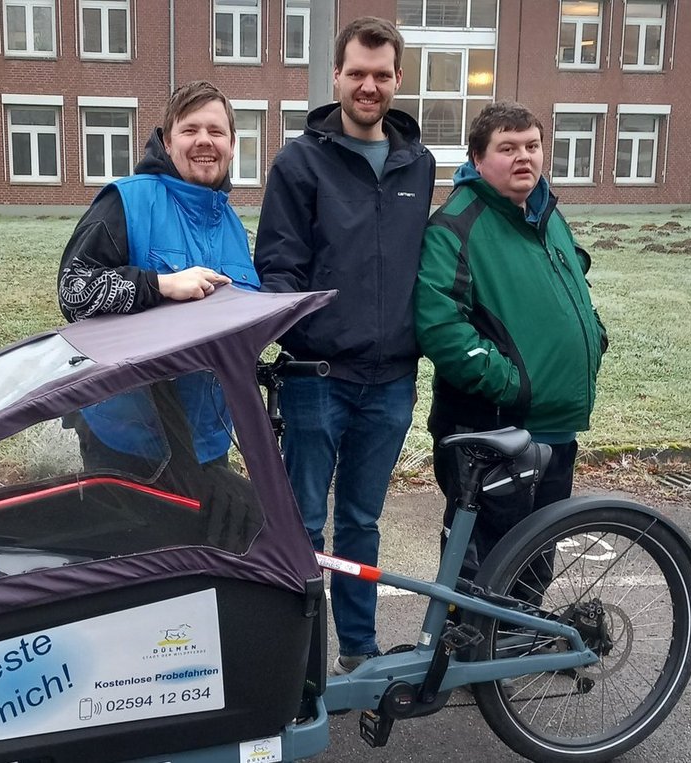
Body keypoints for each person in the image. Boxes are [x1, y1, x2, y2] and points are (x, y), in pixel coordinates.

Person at [254, 16, 436, 674]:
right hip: (317, 378)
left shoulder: (420, 162)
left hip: (390, 383)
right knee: (302, 526)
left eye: (381, 74)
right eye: (356, 72)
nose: (368, 85)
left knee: (361, 522)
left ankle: (358, 652)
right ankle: (295, 664)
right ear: (336, 76)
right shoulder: (299, 161)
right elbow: (277, 264)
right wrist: (279, 334)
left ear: (397, 78)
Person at [415, 101, 609, 586]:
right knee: (483, 558)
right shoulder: (456, 224)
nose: (523, 157)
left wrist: (595, 337)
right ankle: (466, 651)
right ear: (478, 159)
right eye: (507, 148)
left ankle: (519, 648)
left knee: (536, 552)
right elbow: (440, 325)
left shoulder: (545, 212)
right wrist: (513, 385)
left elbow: (575, 290)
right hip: (494, 428)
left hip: (556, 426)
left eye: (531, 145)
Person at [57, 80, 259, 481]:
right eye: (191, 130)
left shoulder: (233, 226)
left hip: (208, 441)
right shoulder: (127, 201)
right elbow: (74, 290)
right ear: (167, 142)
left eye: (216, 132)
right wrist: (160, 285)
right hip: (125, 443)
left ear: (232, 145)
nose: (205, 141)